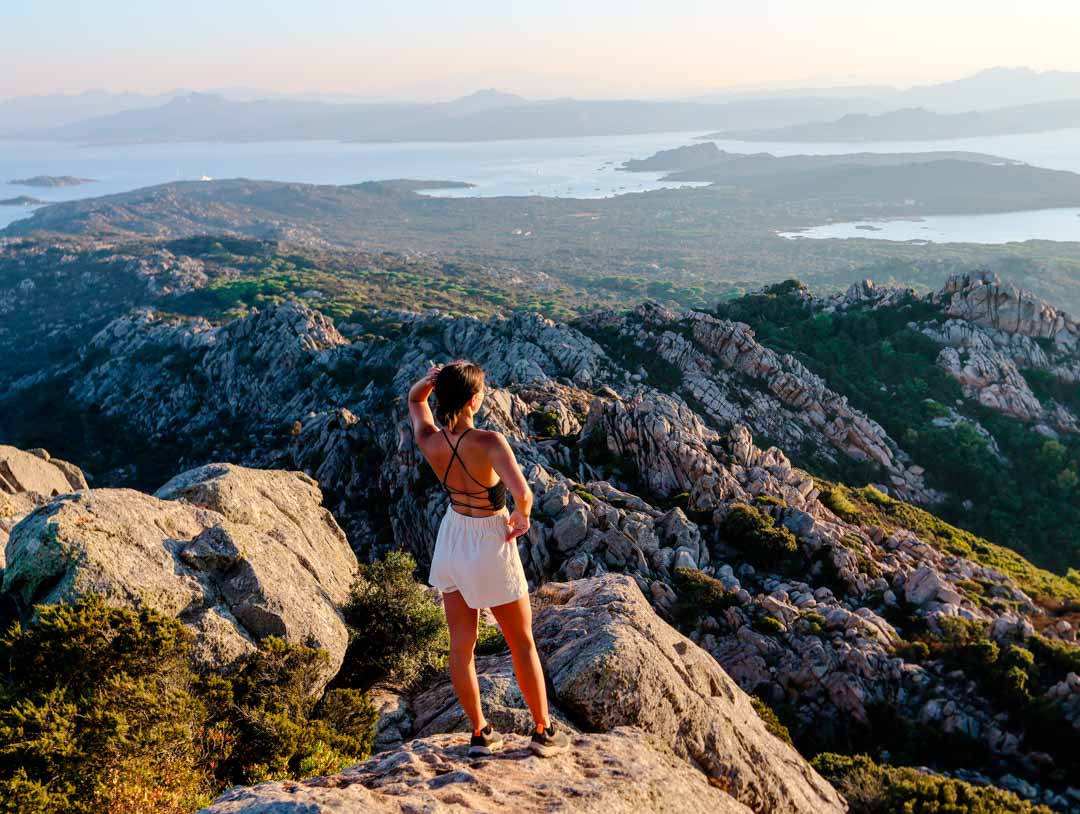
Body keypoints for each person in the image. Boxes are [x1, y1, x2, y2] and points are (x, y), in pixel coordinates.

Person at [408, 360, 570, 758]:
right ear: (473, 400)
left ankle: (480, 733)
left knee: (461, 645)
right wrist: (522, 516)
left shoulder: (430, 440)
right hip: (488, 540)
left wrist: (429, 383)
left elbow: (414, 401)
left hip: (452, 536)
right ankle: (544, 731)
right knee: (522, 642)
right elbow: (523, 494)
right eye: (481, 392)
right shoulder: (489, 442)